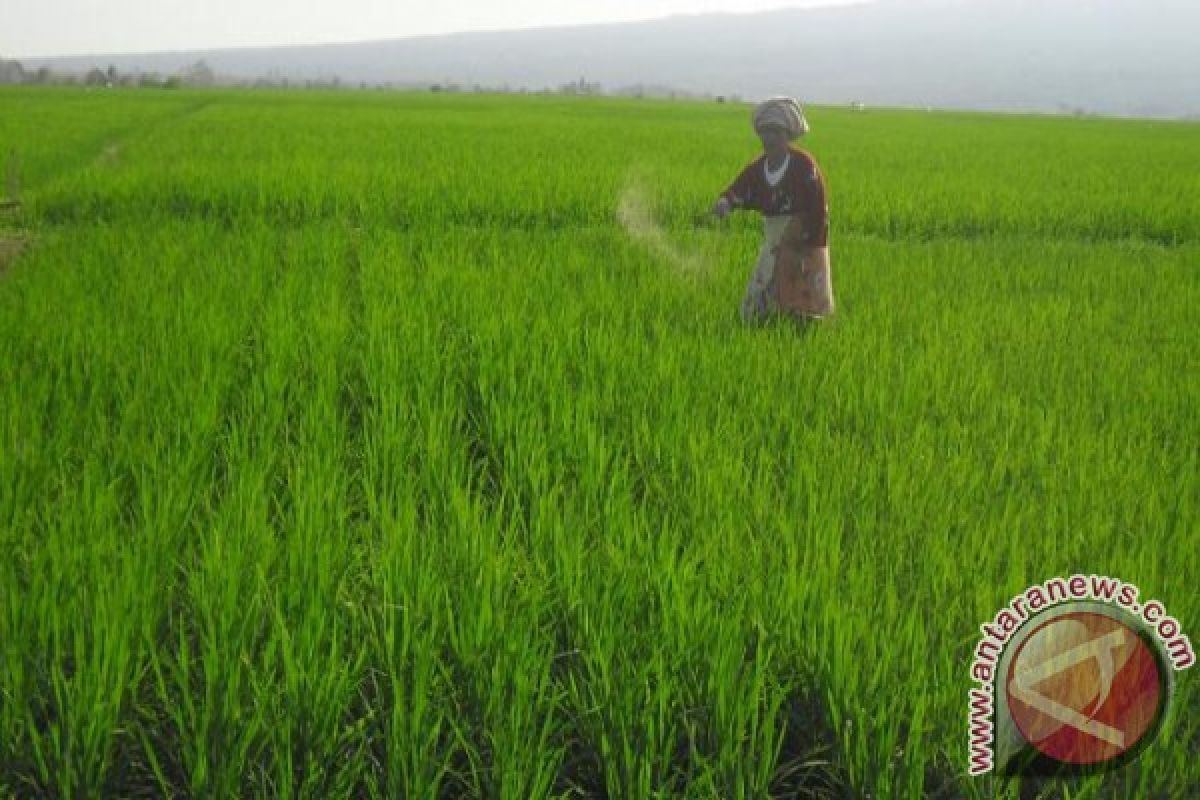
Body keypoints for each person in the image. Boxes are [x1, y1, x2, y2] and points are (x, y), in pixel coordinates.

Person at [712, 96, 834, 325]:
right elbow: (740, 188)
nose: (769, 138)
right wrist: (725, 202)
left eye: (776, 132)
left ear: (787, 134)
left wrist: (806, 247)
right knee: (759, 297)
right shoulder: (759, 168)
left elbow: (818, 210)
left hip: (802, 244)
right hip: (773, 241)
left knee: (802, 306)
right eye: (765, 132)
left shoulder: (804, 166)